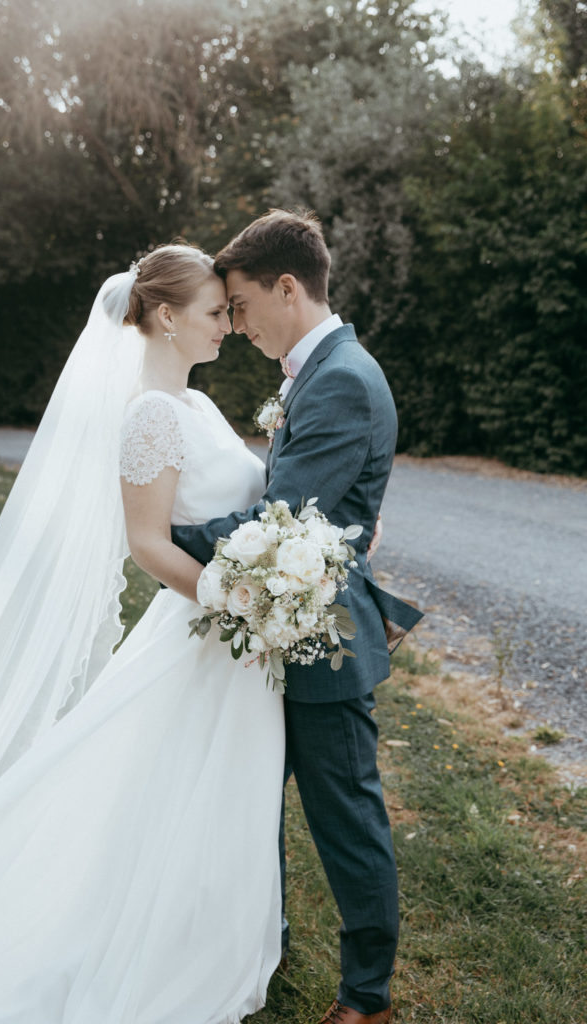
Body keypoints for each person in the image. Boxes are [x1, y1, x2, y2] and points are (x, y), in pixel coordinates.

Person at [0, 244, 286, 1023]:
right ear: (166, 316)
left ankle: (194, 921)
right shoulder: (148, 414)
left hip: (235, 631)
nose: (228, 324)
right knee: (159, 781)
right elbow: (148, 543)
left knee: (208, 781)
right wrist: (236, 597)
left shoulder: (196, 406)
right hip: (206, 626)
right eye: (216, 313)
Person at [172, 210, 423, 1024]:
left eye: (240, 305)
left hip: (325, 642)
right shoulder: (317, 371)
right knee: (250, 800)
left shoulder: (341, 377)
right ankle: (261, 941)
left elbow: (275, 521)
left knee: (344, 815)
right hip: (288, 629)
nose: (235, 324)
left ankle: (367, 996)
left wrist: (157, 535)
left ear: (287, 288)